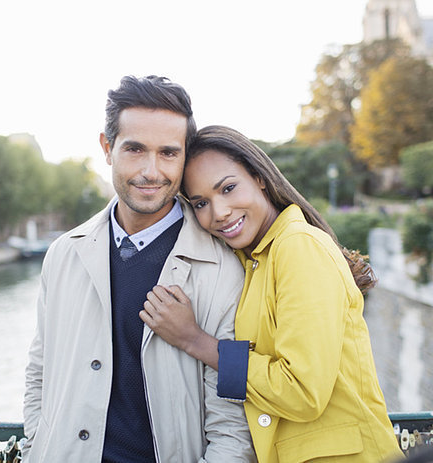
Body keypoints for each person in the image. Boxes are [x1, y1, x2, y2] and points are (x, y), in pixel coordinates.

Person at [22, 78, 256, 462]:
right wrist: (37, 448)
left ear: (184, 157)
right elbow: (39, 374)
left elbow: (232, 421)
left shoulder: (223, 269)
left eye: (168, 153)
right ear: (107, 148)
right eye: (135, 149)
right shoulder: (62, 254)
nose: (151, 171)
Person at [141, 125, 405, 463]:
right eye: (201, 203)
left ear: (260, 178)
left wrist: (195, 340)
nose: (219, 212)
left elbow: (302, 391)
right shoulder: (252, 260)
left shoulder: (297, 246)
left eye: (229, 188)